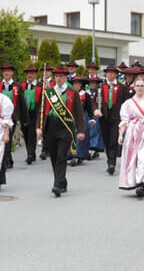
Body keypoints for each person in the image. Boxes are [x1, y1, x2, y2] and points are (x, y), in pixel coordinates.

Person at [36, 65, 85, 197]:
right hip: (50, 127)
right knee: (53, 156)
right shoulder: (48, 92)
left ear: (65, 78)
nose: (59, 78)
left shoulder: (72, 93)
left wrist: (80, 130)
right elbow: (41, 111)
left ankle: (57, 184)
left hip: (65, 128)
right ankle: (62, 181)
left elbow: (79, 113)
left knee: (62, 156)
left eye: (61, 76)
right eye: (56, 76)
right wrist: (39, 127)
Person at [93, 66, 129, 175]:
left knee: (113, 140)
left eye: (112, 73)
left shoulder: (122, 87)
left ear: (116, 74)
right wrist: (95, 110)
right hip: (104, 117)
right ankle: (109, 160)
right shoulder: (101, 87)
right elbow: (94, 101)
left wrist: (125, 116)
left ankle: (112, 163)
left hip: (116, 118)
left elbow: (126, 103)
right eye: (108, 73)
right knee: (106, 141)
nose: (110, 75)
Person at [0, 63, 29, 169]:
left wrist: (25, 119)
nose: (6, 73)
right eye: (5, 71)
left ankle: (5, 161)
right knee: (1, 139)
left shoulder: (17, 86)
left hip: (12, 117)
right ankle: (9, 160)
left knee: (8, 138)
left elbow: (22, 103)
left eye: (9, 71)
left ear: (12, 73)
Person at [69, 76, 94, 166]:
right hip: (71, 117)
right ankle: (72, 155)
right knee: (72, 137)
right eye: (74, 83)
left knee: (80, 138)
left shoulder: (85, 94)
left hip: (82, 117)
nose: (76, 85)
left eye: (78, 83)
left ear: (81, 85)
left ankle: (78, 156)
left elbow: (89, 108)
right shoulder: (70, 93)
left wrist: (91, 119)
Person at [20, 65, 43, 164]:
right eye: (28, 73)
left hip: (35, 113)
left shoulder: (40, 85)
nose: (30, 75)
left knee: (31, 135)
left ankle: (30, 154)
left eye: (32, 73)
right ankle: (30, 153)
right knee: (25, 134)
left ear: (35, 74)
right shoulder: (22, 85)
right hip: (24, 114)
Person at [87, 76, 105, 159]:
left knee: (95, 130)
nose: (92, 84)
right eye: (91, 83)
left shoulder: (99, 92)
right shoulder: (86, 92)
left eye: (94, 83)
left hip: (96, 113)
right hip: (87, 112)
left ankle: (93, 148)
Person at [39, 64, 55, 160]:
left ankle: (49, 149)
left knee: (51, 130)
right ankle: (44, 150)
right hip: (42, 109)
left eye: (48, 71)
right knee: (44, 129)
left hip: (52, 108)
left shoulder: (54, 83)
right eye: (45, 71)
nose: (46, 73)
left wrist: (48, 88)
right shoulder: (39, 82)